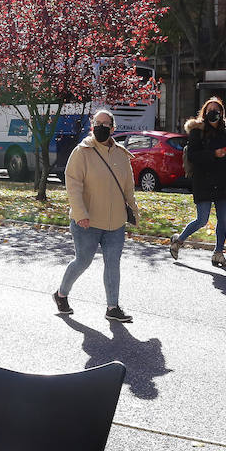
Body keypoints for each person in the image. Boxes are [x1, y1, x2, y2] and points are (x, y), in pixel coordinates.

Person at [54, 110, 138, 323]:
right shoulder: (82, 152)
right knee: (82, 261)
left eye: (105, 123)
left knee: (113, 263)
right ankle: (61, 294)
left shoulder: (121, 154)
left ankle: (113, 307)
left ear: (113, 128)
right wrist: (80, 213)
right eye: (96, 123)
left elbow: (128, 187)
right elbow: (73, 185)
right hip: (87, 222)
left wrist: (133, 212)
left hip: (116, 221)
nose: (100, 126)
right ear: (92, 126)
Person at [169, 97, 226, 267]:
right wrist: (213, 154)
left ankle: (218, 253)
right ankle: (178, 240)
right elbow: (193, 156)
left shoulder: (224, 131)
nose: (213, 113)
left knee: (223, 220)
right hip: (203, 181)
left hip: (221, 182)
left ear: (222, 114)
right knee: (202, 219)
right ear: (205, 113)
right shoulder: (197, 131)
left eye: (217, 110)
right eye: (210, 110)